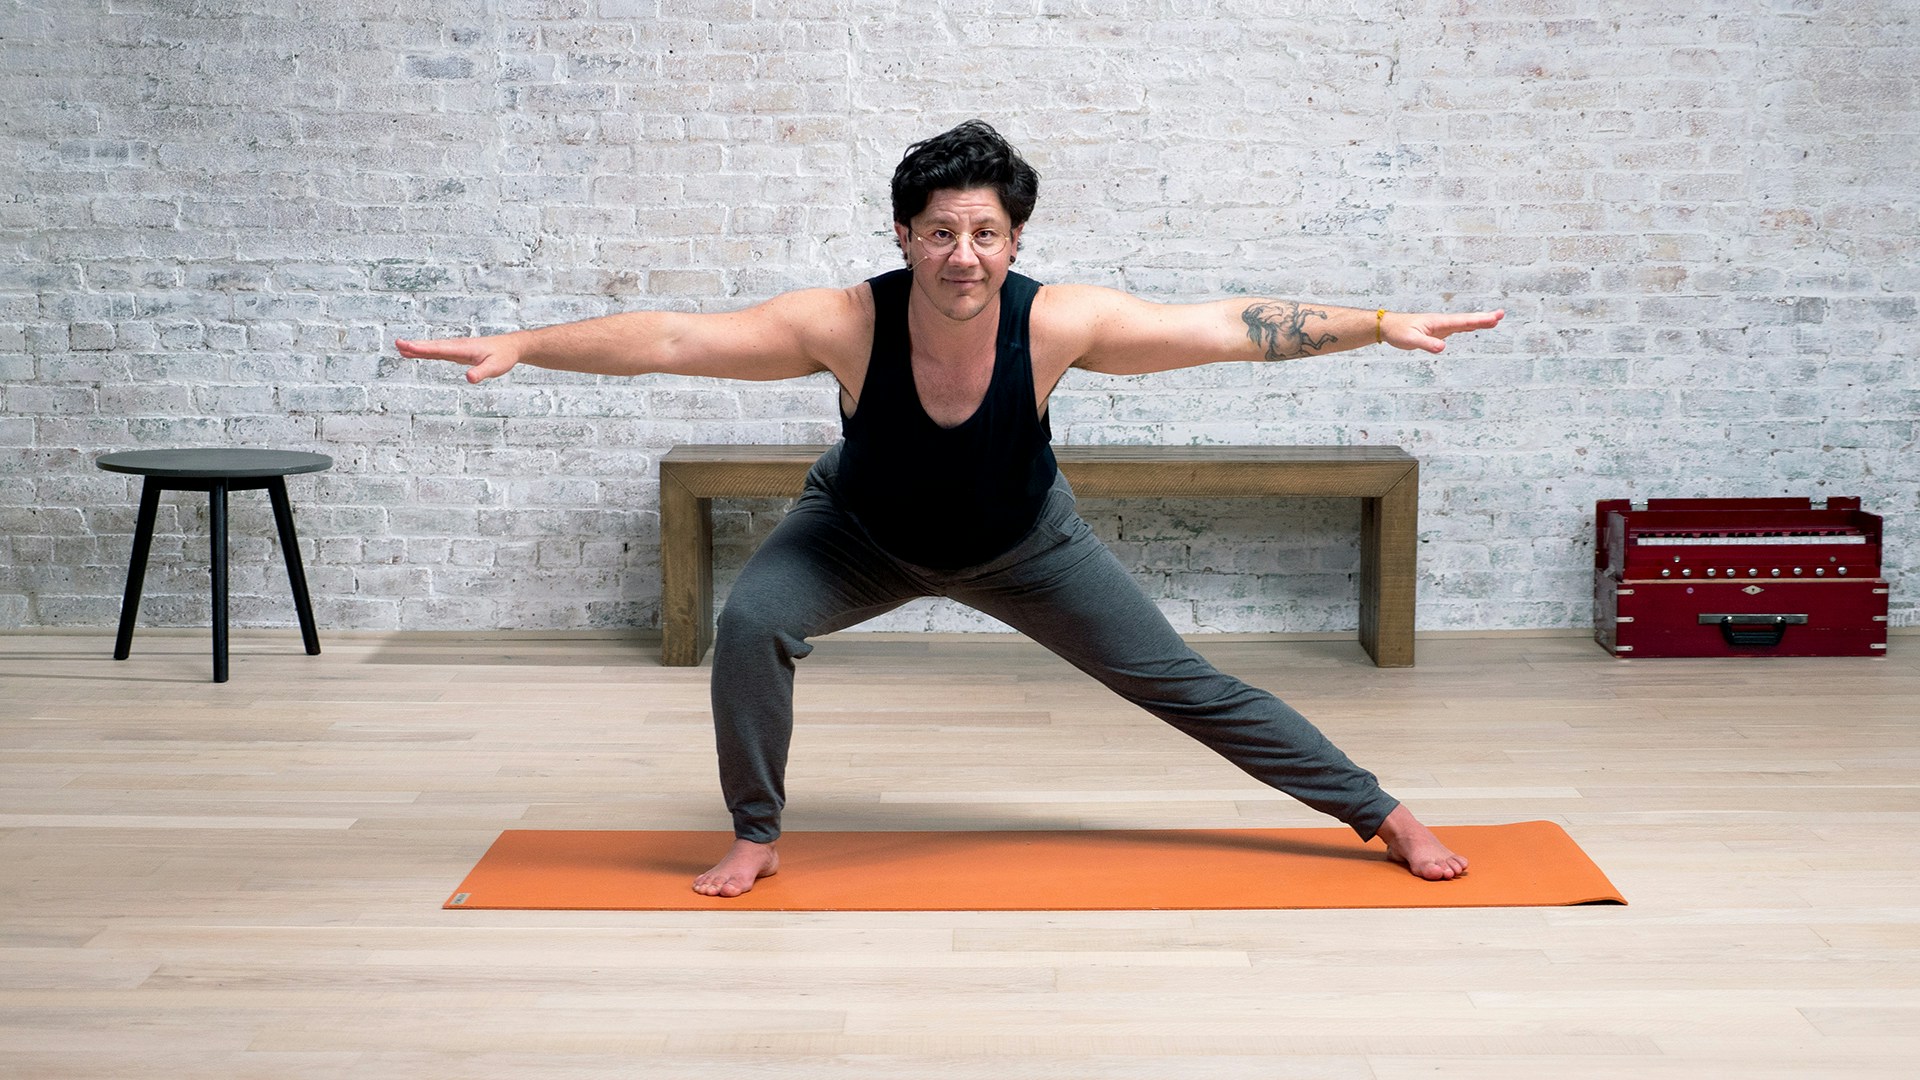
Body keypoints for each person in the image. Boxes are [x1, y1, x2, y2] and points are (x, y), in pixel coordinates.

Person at [398, 120, 1503, 896]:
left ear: (1014, 243)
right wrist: (525, 345)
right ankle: (756, 833)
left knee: (1184, 684)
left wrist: (1377, 324)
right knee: (751, 621)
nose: (962, 256)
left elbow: (1223, 327)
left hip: (1026, 546)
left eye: (984, 235)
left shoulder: (1057, 322)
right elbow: (679, 338)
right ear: (903, 236)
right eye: (939, 233)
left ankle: (1383, 815)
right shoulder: (844, 321)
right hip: (857, 537)